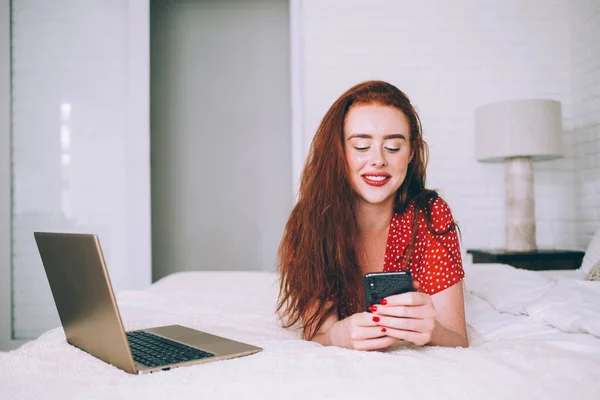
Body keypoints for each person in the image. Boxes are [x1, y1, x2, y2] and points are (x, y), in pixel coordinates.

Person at [276, 80, 468, 350]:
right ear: (340, 152)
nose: (378, 160)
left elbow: (458, 339)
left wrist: (432, 330)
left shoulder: (430, 215)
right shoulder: (311, 219)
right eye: (361, 147)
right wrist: (338, 335)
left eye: (392, 147)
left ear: (411, 152)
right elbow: (317, 332)